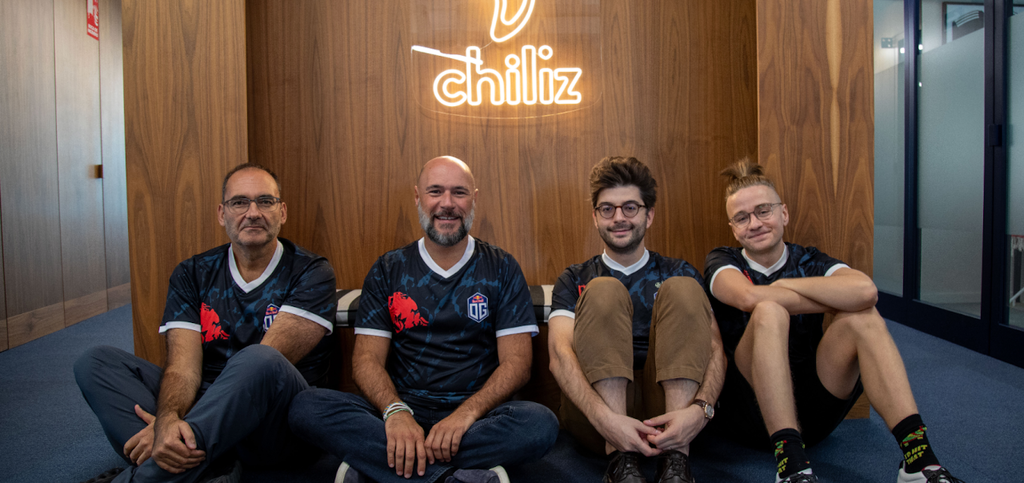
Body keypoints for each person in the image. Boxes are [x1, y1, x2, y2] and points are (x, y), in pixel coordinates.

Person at [288, 156, 558, 483]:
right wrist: (395, 412)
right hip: (401, 411)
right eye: (435, 191)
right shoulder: (388, 269)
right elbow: (366, 360)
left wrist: (465, 415)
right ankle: (449, 476)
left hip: (475, 419)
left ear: (474, 199)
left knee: (540, 424)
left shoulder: (502, 267)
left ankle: (387, 465)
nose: (447, 203)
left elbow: (517, 364)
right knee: (305, 406)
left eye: (459, 192)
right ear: (418, 197)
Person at [704, 158, 963, 483]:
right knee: (769, 310)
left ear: (783, 213)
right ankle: (792, 467)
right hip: (751, 413)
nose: (754, 223)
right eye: (742, 218)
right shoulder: (723, 260)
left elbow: (866, 291)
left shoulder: (809, 259)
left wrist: (783, 287)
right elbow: (748, 297)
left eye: (763, 211)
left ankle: (919, 462)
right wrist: (823, 297)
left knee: (862, 317)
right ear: (733, 228)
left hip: (815, 411)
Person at [74, 163, 338, 483]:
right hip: (201, 408)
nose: (253, 212)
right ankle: (205, 466)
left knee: (259, 358)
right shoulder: (192, 273)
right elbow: (182, 368)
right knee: (96, 362)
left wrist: (174, 427)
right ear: (222, 213)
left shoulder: (312, 272)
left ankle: (151, 472)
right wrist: (168, 420)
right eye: (239, 202)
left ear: (281, 212)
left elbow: (265, 368)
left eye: (265, 201)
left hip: (275, 424)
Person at [548, 156, 726, 483]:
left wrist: (701, 410)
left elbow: (715, 349)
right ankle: (621, 461)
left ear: (649, 215)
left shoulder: (680, 271)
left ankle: (676, 462)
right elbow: (560, 355)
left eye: (630, 207)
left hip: (671, 406)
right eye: (607, 209)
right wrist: (605, 420)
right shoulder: (574, 278)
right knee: (603, 289)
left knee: (684, 288)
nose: (619, 218)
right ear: (595, 217)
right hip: (598, 415)